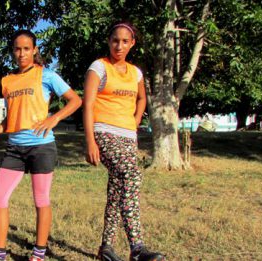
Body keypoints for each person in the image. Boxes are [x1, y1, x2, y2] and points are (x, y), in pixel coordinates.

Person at [0, 30, 82, 261]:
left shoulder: (47, 75)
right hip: (14, 148)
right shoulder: (7, 81)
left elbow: (75, 100)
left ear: (34, 50)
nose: (21, 53)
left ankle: (38, 254)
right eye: (17, 49)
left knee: (41, 199)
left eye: (26, 48)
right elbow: (12, 119)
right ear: (12, 51)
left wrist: (54, 118)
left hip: (42, 147)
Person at [83, 22, 165, 261]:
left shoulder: (136, 73)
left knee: (118, 188)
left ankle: (106, 247)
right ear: (109, 42)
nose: (119, 46)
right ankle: (137, 247)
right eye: (115, 40)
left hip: (128, 136)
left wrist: (135, 121)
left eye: (124, 41)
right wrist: (90, 141)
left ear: (132, 44)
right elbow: (87, 105)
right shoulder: (98, 67)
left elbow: (142, 98)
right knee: (131, 175)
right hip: (103, 132)